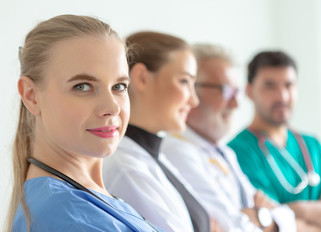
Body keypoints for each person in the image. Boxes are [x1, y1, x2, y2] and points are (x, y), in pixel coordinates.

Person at [7, 14, 163, 232]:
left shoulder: (89, 199)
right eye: (82, 86)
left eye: (119, 86)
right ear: (31, 96)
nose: (112, 107)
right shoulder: (63, 217)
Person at [160, 43, 297, 232]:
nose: (235, 104)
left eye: (236, 92)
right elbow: (233, 228)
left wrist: (261, 217)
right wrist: (266, 219)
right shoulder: (176, 152)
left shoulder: (224, 152)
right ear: (192, 89)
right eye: (225, 91)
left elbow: (288, 219)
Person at [228, 50, 321, 230]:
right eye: (270, 86)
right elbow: (265, 225)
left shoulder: (312, 146)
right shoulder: (237, 153)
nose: (282, 96)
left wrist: (297, 211)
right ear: (249, 91)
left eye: (289, 85)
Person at [103, 32, 220, 232]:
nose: (194, 100)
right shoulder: (126, 167)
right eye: (184, 81)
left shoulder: (154, 156)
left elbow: (215, 224)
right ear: (141, 78)